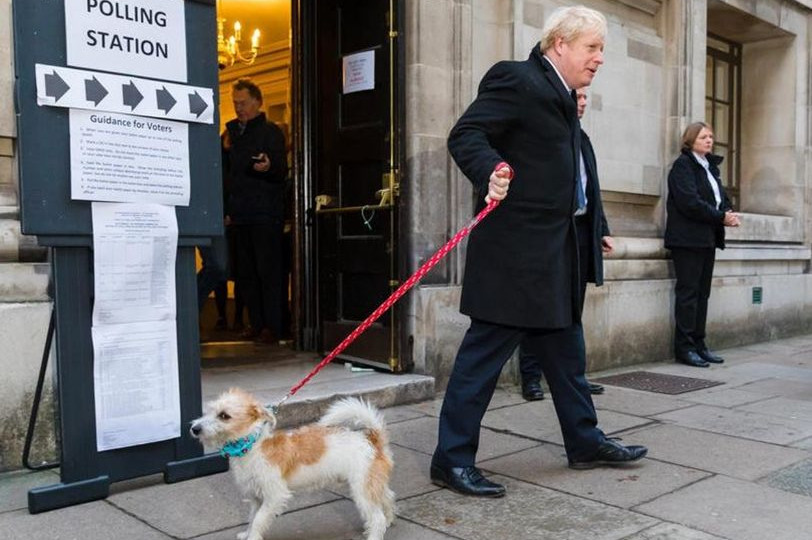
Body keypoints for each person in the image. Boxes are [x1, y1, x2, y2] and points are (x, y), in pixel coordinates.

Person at [430, 6, 647, 499]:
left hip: (558, 256)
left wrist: (596, 227)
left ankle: (584, 442)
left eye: (602, 49)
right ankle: (452, 460)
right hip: (517, 258)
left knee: (568, 360)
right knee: (481, 362)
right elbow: (466, 134)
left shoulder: (565, 99)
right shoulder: (518, 79)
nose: (600, 59)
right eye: (593, 48)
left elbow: (574, 178)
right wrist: (492, 169)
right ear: (560, 44)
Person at [519, 89, 609, 401]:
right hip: (552, 233)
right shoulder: (548, 135)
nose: (583, 102)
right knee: (538, 307)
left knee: (573, 309)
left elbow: (592, 189)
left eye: (585, 98)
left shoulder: (582, 139)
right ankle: (530, 377)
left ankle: (574, 378)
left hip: (582, 232)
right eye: (578, 96)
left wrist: (602, 230)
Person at [665, 122, 740, 367]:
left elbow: (720, 197)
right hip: (687, 240)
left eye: (711, 136)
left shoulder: (710, 168)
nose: (709, 140)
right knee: (688, 294)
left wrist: (728, 211)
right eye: (704, 136)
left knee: (702, 295)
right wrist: (720, 217)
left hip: (707, 238)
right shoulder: (682, 166)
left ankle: (699, 344)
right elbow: (690, 202)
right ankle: (684, 348)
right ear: (691, 139)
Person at [222, 79, 289, 345]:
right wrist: (227, 210)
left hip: (265, 213)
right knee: (246, 274)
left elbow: (280, 170)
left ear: (257, 102)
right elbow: (225, 177)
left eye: (244, 103)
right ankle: (256, 322)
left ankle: (273, 326)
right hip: (239, 214)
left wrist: (269, 166)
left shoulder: (270, 132)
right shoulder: (228, 136)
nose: (239, 108)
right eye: (235, 103)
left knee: (269, 272)